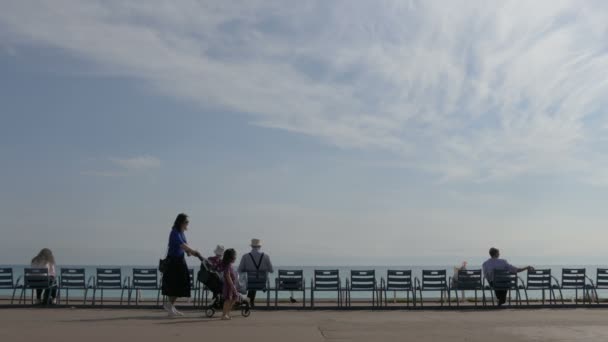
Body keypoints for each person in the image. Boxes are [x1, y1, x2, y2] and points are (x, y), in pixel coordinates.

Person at [161, 213, 202, 317]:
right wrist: (193, 251)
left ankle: (170, 306)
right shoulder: (174, 232)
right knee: (176, 284)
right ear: (181, 222)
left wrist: (191, 252)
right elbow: (183, 245)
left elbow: (185, 246)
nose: (187, 224)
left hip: (180, 260)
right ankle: (169, 305)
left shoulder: (181, 232)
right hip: (173, 262)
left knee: (182, 283)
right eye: (186, 222)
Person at [237, 238, 274, 307]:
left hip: (249, 283)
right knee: (256, 280)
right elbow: (271, 270)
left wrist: (247, 269)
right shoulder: (266, 256)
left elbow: (239, 270)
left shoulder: (245, 256)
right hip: (261, 283)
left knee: (252, 281)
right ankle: (250, 301)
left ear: (251, 246)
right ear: (259, 246)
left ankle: (248, 301)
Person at [220, 248, 239, 320]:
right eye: (235, 256)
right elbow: (227, 276)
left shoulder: (230, 265)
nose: (236, 258)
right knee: (228, 300)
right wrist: (232, 286)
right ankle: (224, 314)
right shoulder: (228, 265)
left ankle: (227, 313)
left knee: (234, 297)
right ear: (231, 257)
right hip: (229, 286)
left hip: (232, 285)